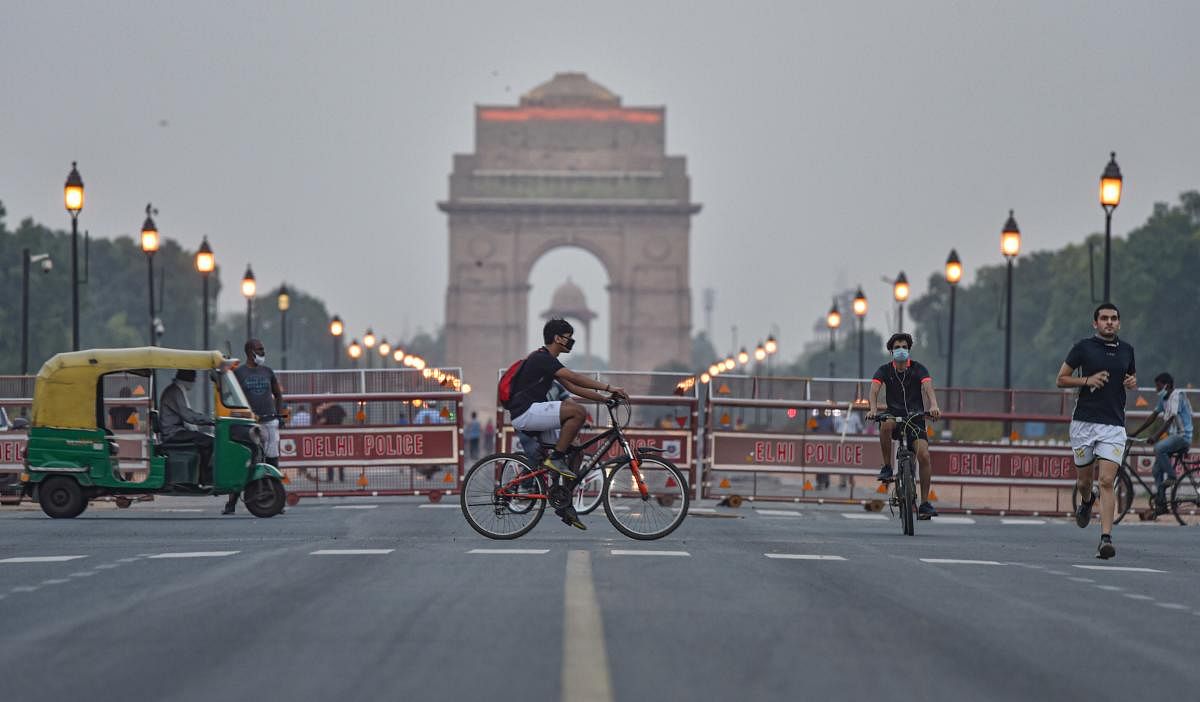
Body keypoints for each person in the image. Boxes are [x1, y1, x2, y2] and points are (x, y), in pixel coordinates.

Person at [505, 318, 628, 530]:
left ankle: (563, 502)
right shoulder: (542, 358)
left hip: (533, 412)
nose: (571, 342)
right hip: (525, 412)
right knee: (578, 413)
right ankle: (557, 459)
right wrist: (609, 387)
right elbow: (573, 377)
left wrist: (605, 399)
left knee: (577, 451)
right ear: (557, 338)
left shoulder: (549, 362)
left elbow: (573, 387)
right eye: (569, 338)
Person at [1057, 303, 1136, 559]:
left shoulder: (1127, 350)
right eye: (1104, 318)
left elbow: (1130, 377)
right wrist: (1087, 380)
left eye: (1114, 318)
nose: (1109, 322)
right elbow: (1061, 379)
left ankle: (1105, 539)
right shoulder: (1083, 348)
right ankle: (1086, 500)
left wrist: (1132, 381)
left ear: (1119, 323)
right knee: (1084, 482)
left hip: (1113, 425)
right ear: (1095, 323)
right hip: (1084, 423)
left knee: (1106, 481)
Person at [867, 333, 943, 519]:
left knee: (924, 455)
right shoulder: (884, 370)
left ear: (908, 350)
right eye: (897, 347)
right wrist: (873, 409)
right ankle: (886, 467)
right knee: (885, 424)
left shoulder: (918, 369)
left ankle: (924, 503)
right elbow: (874, 389)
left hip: (915, 417)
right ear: (891, 350)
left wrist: (933, 405)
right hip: (894, 415)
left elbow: (927, 387)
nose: (901, 350)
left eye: (904, 347)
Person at [227, 339, 286, 515]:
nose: (263, 353)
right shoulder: (239, 373)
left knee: (272, 459)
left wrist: (278, 415)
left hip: (269, 421)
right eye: (260, 350)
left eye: (263, 349)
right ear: (250, 352)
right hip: (249, 423)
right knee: (245, 460)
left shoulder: (268, 372)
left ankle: (277, 500)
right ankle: (231, 503)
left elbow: (278, 394)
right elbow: (231, 395)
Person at [1130, 372, 1192, 514]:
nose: (1156, 389)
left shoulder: (1177, 395)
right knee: (1156, 470)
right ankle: (1162, 503)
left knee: (1158, 448)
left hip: (1182, 437)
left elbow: (1170, 419)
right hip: (1172, 437)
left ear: (1167, 385)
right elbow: (1152, 417)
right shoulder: (1163, 398)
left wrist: (1156, 437)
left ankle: (1171, 477)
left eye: (1158, 386)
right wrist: (1135, 433)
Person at [158, 369, 215, 481]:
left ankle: (202, 476)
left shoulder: (176, 390)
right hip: (173, 433)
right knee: (210, 442)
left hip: (176, 431)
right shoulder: (175, 391)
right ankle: (205, 477)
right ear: (188, 380)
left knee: (203, 439)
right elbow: (188, 416)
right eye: (193, 380)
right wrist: (211, 420)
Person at [316, 401, 347, 482]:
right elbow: (344, 418)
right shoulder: (339, 407)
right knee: (340, 456)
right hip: (340, 435)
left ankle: (330, 478)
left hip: (329, 435)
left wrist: (319, 414)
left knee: (329, 456)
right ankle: (341, 477)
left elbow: (322, 421)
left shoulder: (326, 410)